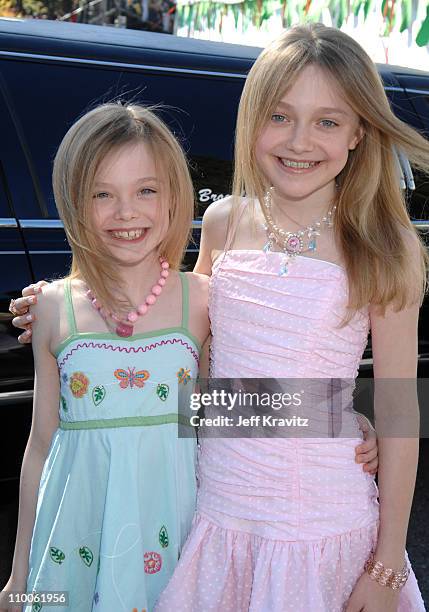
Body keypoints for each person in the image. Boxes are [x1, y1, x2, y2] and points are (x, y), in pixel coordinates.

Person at [153, 24, 429, 612]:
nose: (300, 141)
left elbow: (401, 409)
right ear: (252, 120)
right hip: (220, 511)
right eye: (279, 116)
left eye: (327, 121)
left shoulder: (385, 244)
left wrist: (386, 568)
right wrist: (63, 302)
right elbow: (193, 366)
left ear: (358, 132)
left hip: (321, 526)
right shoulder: (223, 222)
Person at [1, 103, 209, 612]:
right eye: (102, 194)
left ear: (173, 195)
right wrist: (19, 575)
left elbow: (227, 420)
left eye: (146, 190)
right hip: (75, 544)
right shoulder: (51, 307)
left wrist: (346, 417)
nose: (126, 212)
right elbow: (41, 445)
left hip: (175, 543)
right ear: (75, 202)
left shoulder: (204, 301)